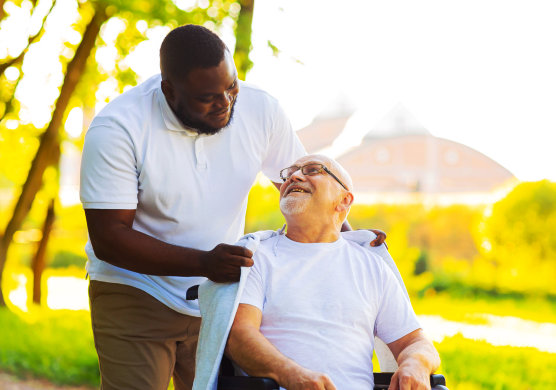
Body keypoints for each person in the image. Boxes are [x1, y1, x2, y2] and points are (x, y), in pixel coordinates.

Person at [80, 25, 384, 390]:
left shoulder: (260, 110)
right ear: (169, 91)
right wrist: (203, 262)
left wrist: (348, 243)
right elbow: (109, 239)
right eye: (208, 97)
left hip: (221, 298)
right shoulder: (117, 128)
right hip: (137, 290)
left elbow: (309, 188)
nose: (225, 102)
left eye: (232, 87)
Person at [226, 154, 441, 390]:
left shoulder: (372, 267)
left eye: (312, 170)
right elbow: (239, 336)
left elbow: (415, 341)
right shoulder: (256, 256)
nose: (293, 177)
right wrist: (292, 375)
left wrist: (415, 364)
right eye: (289, 174)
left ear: (344, 200)